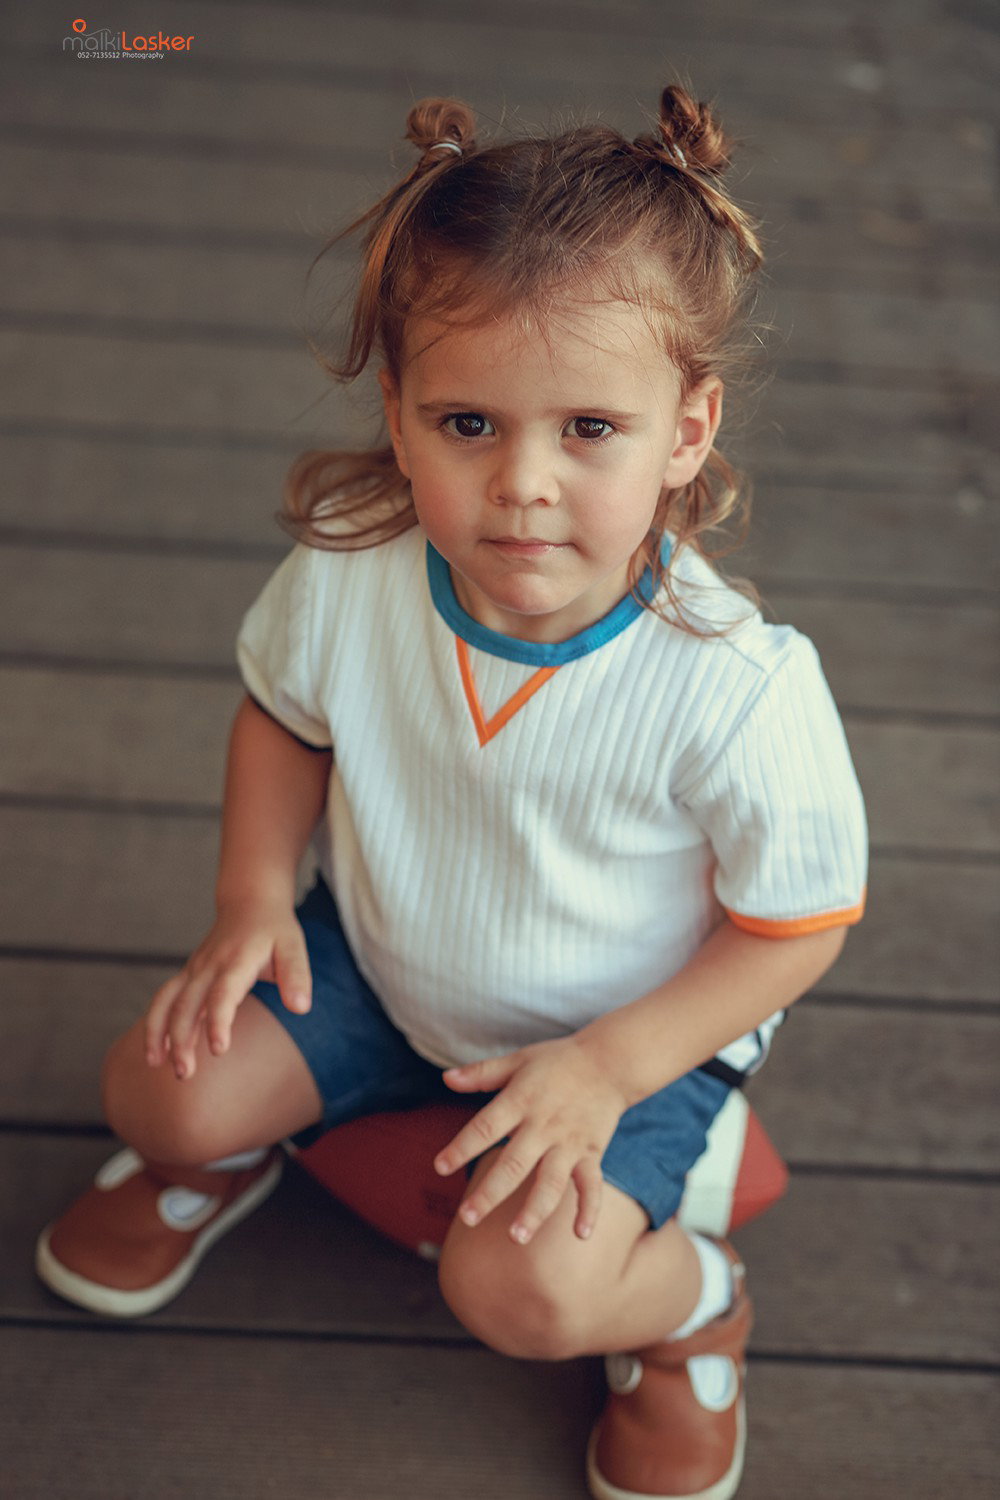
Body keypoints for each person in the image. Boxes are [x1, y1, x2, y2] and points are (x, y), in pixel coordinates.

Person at [35, 85, 867, 1500]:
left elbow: (799, 923)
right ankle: (240, 1156)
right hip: (379, 956)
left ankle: (689, 1312)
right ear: (400, 418)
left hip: (615, 1038)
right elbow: (283, 721)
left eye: (590, 429)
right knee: (160, 1092)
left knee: (523, 1296)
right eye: (469, 421)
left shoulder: (737, 685)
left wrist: (609, 1068)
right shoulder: (353, 570)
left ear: (685, 428)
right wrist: (249, 902)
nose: (523, 486)